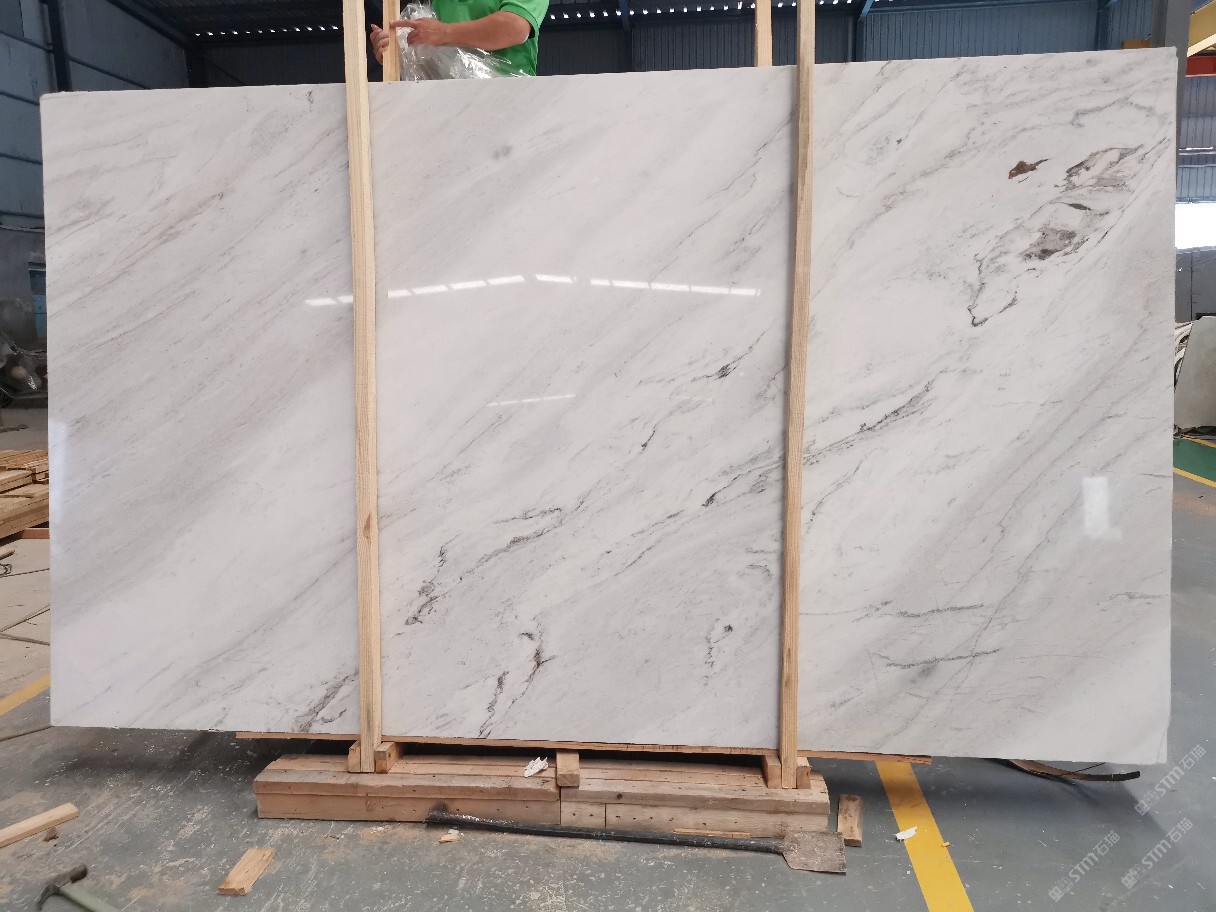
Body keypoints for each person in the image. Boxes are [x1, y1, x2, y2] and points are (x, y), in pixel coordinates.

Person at [371, 0, 548, 78]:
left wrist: (443, 32)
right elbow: (437, 52)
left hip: (509, 101)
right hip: (449, 105)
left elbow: (514, 27)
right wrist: (399, 54)